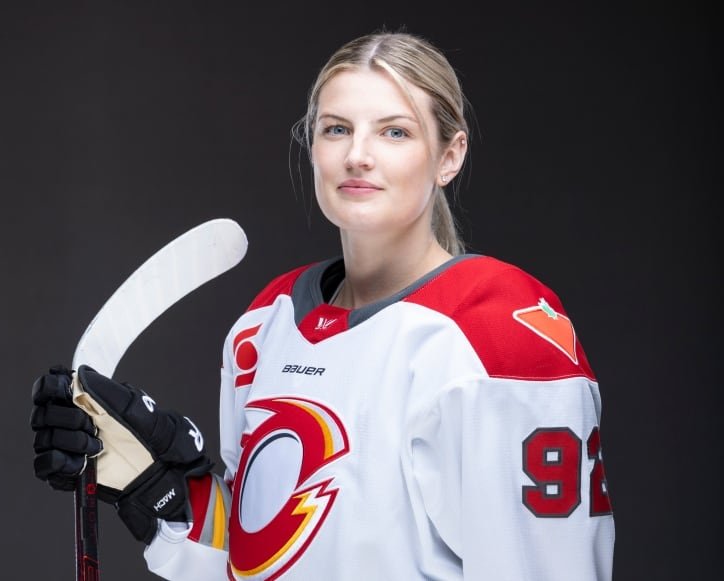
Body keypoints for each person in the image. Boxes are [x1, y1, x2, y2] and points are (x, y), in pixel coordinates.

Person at [31, 31, 615, 580]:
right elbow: (255, 554)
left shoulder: (494, 329)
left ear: (449, 155)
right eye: (337, 129)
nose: (357, 155)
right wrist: (153, 487)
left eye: (394, 132)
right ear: (312, 146)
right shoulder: (266, 322)